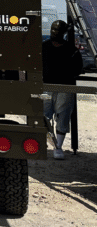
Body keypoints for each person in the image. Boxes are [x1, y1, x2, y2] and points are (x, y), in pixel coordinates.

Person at [42, 20, 83, 160]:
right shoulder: (43, 47)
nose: (55, 33)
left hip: (65, 88)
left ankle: (58, 146)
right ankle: (48, 143)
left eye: (58, 30)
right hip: (45, 87)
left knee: (63, 116)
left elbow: (78, 69)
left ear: (64, 32)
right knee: (43, 116)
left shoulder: (72, 50)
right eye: (53, 30)